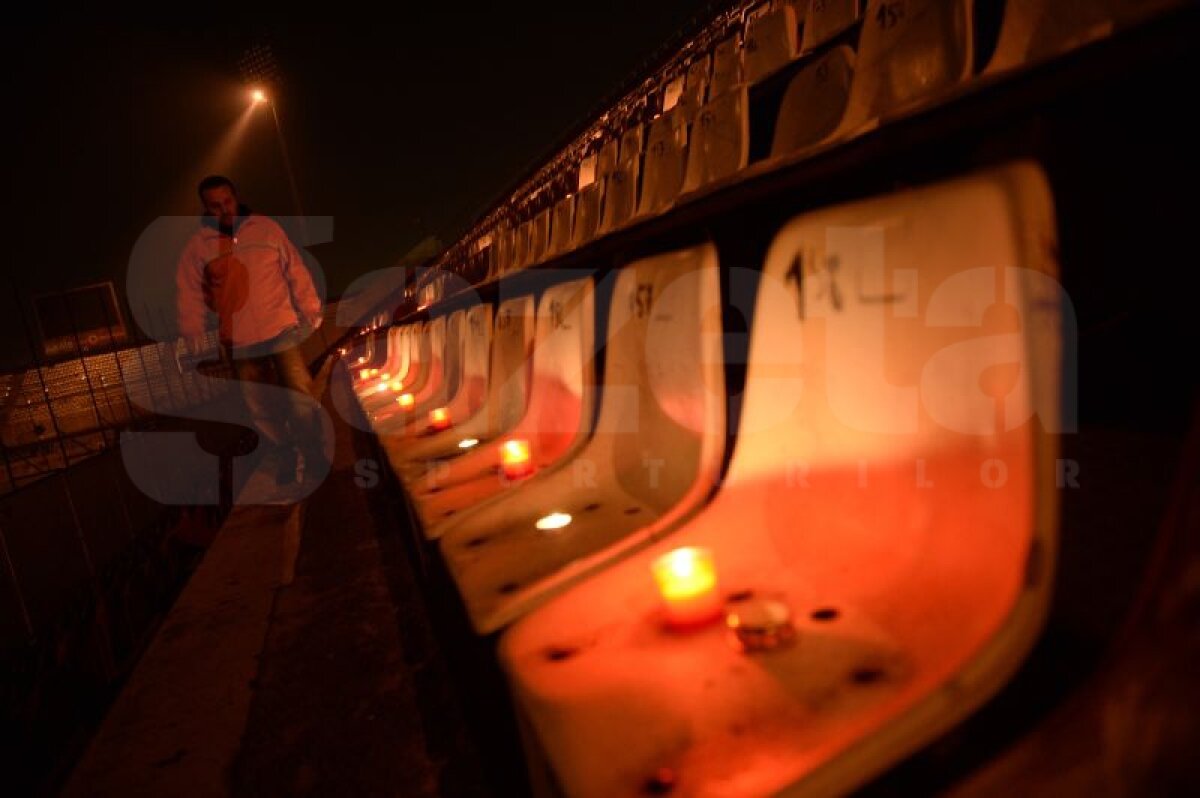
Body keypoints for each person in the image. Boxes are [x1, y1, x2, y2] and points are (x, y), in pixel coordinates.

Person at [175, 175, 326, 484]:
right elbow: (189, 293)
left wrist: (310, 307)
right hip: (240, 340)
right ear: (206, 208)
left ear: (236, 197)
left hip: (281, 328)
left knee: (299, 396)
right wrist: (192, 332)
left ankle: (313, 456)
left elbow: (293, 267)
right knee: (260, 407)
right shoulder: (199, 247)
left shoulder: (266, 228)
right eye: (215, 206)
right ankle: (284, 454)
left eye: (227, 201)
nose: (224, 210)